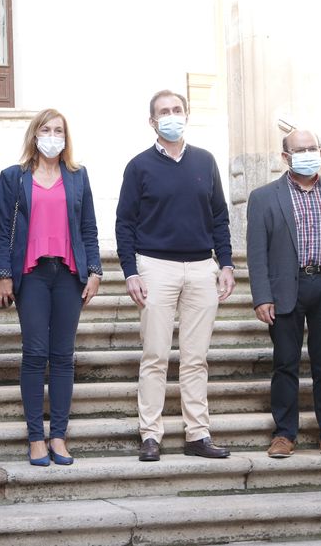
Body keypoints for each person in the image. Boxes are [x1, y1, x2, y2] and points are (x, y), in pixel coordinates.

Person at [115, 89, 236, 462]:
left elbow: (219, 217)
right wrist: (130, 271)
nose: (172, 116)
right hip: (155, 267)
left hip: (202, 268)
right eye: (164, 112)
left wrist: (227, 263)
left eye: (177, 109)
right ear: (152, 121)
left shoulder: (205, 161)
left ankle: (197, 434)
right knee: (154, 355)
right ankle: (150, 434)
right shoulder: (139, 166)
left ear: (187, 114)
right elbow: (124, 223)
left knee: (196, 357)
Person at [0, 109, 102, 466]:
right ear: (34, 134)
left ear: (66, 138)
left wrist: (95, 270)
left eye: (59, 131)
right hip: (32, 274)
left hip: (69, 274)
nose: (53, 136)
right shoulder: (13, 177)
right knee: (36, 354)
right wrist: (4, 272)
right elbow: (2, 228)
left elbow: (89, 228)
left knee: (64, 357)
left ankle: (59, 437)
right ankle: (36, 437)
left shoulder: (77, 177)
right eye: (46, 129)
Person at [246, 129, 321, 460]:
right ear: (286, 157)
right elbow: (256, 254)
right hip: (286, 289)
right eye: (300, 150)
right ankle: (284, 434)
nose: (308, 153)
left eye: (313, 148)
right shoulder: (264, 197)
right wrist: (261, 297)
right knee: (285, 363)